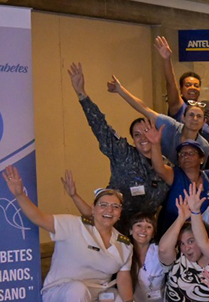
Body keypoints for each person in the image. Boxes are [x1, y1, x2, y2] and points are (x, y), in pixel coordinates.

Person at [3, 166, 132, 302]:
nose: (109, 210)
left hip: (96, 297)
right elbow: (39, 218)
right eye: (103, 205)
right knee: (77, 290)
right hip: (60, 293)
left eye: (115, 207)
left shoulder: (124, 244)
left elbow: (124, 277)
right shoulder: (73, 225)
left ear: (120, 213)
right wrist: (20, 194)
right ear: (93, 208)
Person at [61, 171, 167, 302]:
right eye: (138, 226)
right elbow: (93, 215)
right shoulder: (122, 247)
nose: (143, 230)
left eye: (148, 227)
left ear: (153, 233)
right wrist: (74, 195)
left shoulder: (159, 252)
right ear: (130, 230)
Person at [67, 63, 169, 232]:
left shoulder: (167, 165)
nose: (143, 138)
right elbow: (101, 127)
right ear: (133, 140)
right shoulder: (123, 154)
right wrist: (82, 94)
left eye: (147, 131)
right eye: (137, 134)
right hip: (115, 229)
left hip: (145, 233)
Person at [153, 36, 200, 120]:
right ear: (181, 90)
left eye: (196, 85)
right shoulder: (178, 106)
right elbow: (170, 83)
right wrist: (167, 59)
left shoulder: (201, 108)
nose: (192, 88)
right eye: (188, 85)